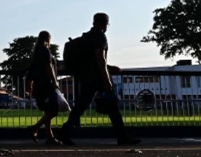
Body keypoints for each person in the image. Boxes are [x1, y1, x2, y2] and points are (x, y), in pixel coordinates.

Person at [58, 13, 140, 146]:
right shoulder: (100, 36)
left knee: (80, 106)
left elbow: (91, 60)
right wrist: (106, 78)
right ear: (105, 24)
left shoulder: (87, 37)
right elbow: (99, 58)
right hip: (97, 77)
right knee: (113, 107)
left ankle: (65, 132)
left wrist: (109, 67)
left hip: (86, 77)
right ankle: (122, 137)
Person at [26, 30, 62, 145]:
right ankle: (35, 127)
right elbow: (49, 66)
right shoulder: (46, 51)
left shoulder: (36, 53)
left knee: (48, 110)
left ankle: (50, 137)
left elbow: (31, 71)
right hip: (47, 85)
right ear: (48, 39)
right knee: (53, 110)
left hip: (38, 85)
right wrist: (55, 81)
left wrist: (29, 85)